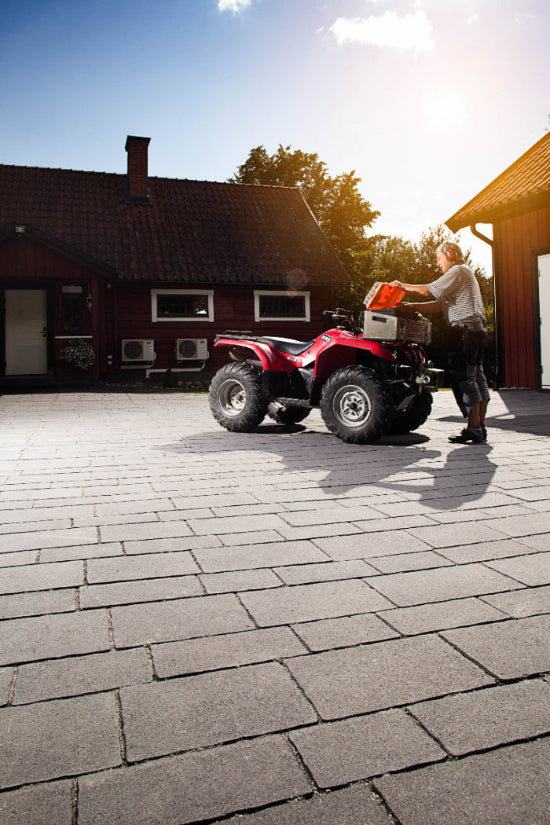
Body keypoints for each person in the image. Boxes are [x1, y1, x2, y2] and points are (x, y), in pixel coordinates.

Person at [391, 241, 490, 444]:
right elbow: (438, 305)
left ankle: (473, 428)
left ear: (450, 253)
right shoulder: (462, 275)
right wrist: (410, 305)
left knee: (465, 378)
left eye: (439, 259)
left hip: (464, 330)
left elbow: (429, 291)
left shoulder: (458, 271)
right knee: (477, 376)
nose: (438, 264)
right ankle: (479, 426)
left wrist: (401, 286)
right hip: (477, 330)